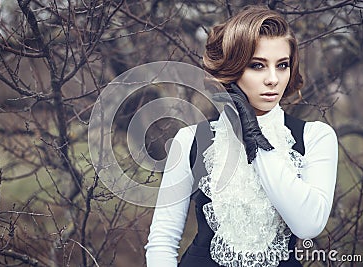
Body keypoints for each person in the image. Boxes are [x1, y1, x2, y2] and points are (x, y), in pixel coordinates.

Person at [145, 5, 338, 267]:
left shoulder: (316, 136)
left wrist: (254, 139)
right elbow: (162, 241)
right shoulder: (189, 139)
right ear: (232, 70)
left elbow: (308, 225)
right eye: (257, 65)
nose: (273, 79)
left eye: (282, 65)